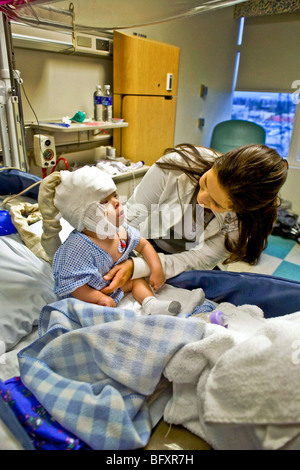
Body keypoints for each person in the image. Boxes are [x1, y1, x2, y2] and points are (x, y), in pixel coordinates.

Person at [100, 143, 288, 296]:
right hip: (147, 243)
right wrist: (108, 251)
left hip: (191, 262)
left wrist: (139, 267)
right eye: (206, 182)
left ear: (240, 210)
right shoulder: (175, 166)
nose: (202, 198)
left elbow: (199, 258)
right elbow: (133, 213)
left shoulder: (245, 222)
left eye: (216, 203)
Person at [46, 166, 181, 316]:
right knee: (83, 304)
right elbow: (73, 285)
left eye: (115, 196)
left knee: (138, 280)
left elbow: (143, 245)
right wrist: (99, 298)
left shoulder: (121, 231)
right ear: (84, 216)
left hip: (117, 286)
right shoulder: (78, 247)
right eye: (105, 201)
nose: (117, 202)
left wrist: (156, 269)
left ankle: (151, 304)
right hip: (91, 291)